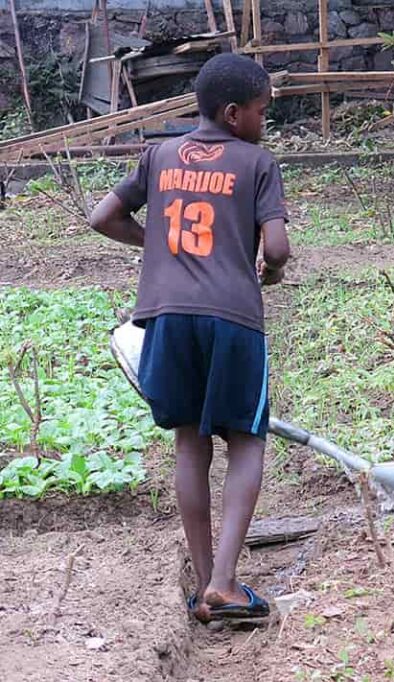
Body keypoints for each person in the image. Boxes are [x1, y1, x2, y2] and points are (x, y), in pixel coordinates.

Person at [89, 53, 290, 623]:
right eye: (261, 111)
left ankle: (204, 584)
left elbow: (102, 217)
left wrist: (159, 244)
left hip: (166, 317)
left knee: (189, 444)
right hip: (231, 317)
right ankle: (225, 584)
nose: (264, 121)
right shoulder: (256, 162)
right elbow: (274, 250)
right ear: (233, 113)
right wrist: (271, 272)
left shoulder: (158, 155)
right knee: (246, 441)